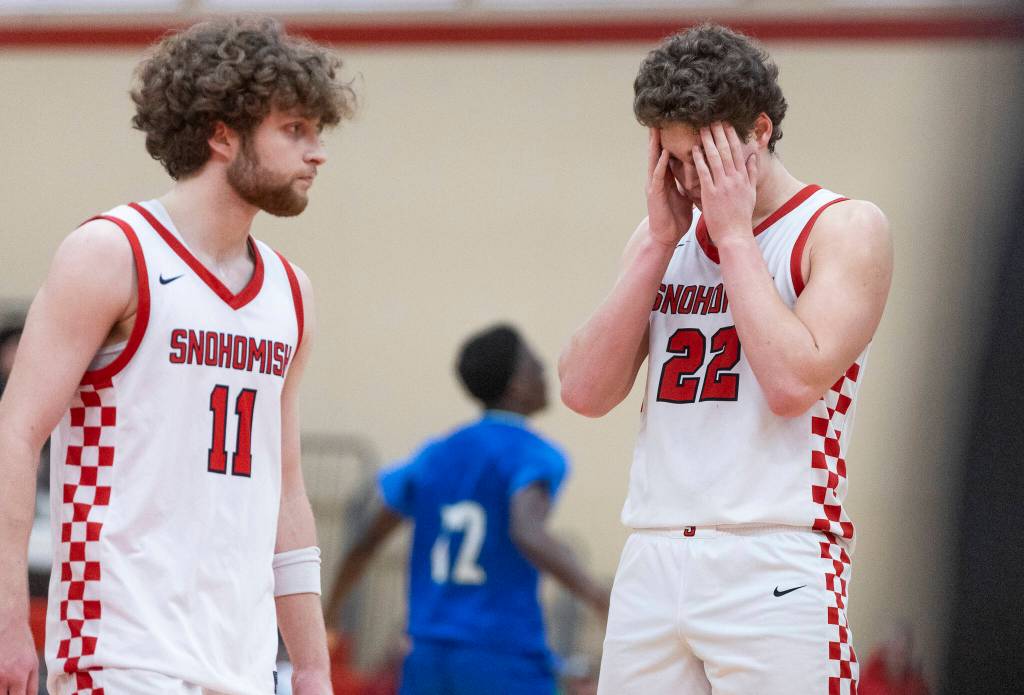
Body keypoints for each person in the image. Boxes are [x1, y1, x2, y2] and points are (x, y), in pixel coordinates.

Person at [0, 17, 355, 695]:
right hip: (119, 648)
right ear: (223, 133)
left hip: (242, 660)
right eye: (295, 129)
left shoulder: (291, 293)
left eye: (319, 131)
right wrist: (8, 622)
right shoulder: (111, 253)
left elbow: (287, 489)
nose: (318, 153)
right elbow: (15, 436)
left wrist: (309, 661)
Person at [559, 23, 893, 695]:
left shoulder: (844, 228)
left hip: (775, 554)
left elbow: (793, 382)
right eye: (673, 158)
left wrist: (735, 234)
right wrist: (657, 242)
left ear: (759, 130)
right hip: (653, 551)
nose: (688, 179)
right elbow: (584, 391)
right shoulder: (664, 233)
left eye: (706, 157)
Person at [324, 324, 609, 695]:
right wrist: (597, 595)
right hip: (502, 655)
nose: (543, 370)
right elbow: (526, 530)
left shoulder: (434, 454)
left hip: (427, 658)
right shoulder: (533, 452)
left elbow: (365, 544)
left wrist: (329, 615)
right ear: (516, 386)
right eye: (533, 364)